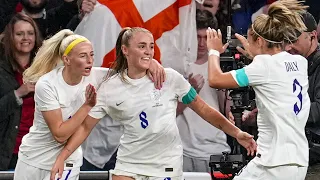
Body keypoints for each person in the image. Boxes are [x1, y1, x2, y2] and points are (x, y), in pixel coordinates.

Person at [49, 27, 256, 180]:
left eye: (151, 47)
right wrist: (62, 157)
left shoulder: (171, 78)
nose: (148, 51)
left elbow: (204, 110)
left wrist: (236, 133)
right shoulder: (109, 87)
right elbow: (85, 127)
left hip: (165, 166)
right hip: (128, 166)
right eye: (141, 46)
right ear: (125, 50)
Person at [13, 28, 165, 179]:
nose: (90, 61)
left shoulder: (97, 76)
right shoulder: (47, 84)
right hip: (34, 160)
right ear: (67, 60)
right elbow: (60, 134)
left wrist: (152, 63)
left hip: (68, 161)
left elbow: (130, 72)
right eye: (83, 56)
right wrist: (87, 106)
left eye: (91, 55)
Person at [206, 0, 310, 179]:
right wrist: (256, 56)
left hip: (272, 164)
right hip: (298, 163)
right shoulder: (300, 62)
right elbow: (274, 73)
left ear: (260, 41)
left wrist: (213, 52)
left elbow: (215, 80)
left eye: (250, 40)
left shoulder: (263, 66)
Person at [176, 9, 231, 173]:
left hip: (215, 148)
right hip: (183, 150)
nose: (201, 43)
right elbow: (168, 112)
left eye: (206, 38)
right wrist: (190, 91)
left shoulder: (219, 66)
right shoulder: (177, 66)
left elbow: (227, 112)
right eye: (197, 37)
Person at [0, 13, 42, 170]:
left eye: (30, 33)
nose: (26, 38)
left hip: (38, 151)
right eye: (19, 34)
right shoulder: (1, 69)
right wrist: (17, 94)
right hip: (9, 152)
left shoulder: (45, 69)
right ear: (11, 37)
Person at [284, 12, 320, 180]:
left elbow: (318, 110)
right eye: (286, 41)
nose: (288, 47)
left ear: (312, 36)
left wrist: (281, 111)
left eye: (294, 40)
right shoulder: (295, 64)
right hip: (295, 157)